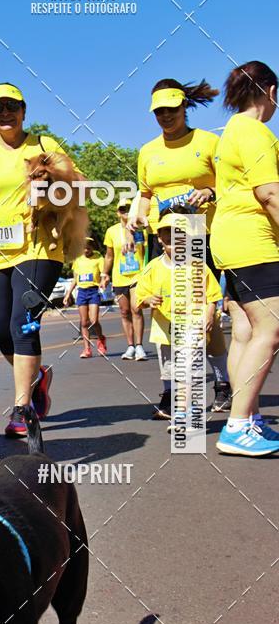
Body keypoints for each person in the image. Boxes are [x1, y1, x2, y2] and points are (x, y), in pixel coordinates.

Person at [0, 83, 78, 437]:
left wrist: (51, 188)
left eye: (12, 106)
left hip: (39, 249)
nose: (5, 113)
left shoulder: (44, 146)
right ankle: (37, 376)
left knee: (23, 323)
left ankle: (23, 408)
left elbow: (76, 185)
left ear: (24, 110)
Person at [209, 61, 279, 456]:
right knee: (271, 329)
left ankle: (247, 418)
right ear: (270, 91)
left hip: (230, 241)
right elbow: (270, 194)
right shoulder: (255, 131)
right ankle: (237, 426)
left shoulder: (232, 130)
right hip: (253, 241)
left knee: (246, 332)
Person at [135, 212, 228, 422]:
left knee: (188, 369)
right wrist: (149, 299)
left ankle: (183, 414)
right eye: (167, 235)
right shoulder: (153, 267)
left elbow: (213, 295)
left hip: (193, 327)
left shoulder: (198, 266)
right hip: (166, 331)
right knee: (172, 371)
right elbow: (139, 298)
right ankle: (183, 409)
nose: (172, 238)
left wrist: (209, 315)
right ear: (160, 238)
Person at [129, 78, 221, 277]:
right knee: (161, 294)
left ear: (184, 105)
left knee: (198, 293)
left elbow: (231, 185)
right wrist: (140, 215)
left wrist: (209, 191)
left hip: (200, 232)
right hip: (161, 235)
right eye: (159, 111)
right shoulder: (147, 151)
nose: (166, 115)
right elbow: (145, 195)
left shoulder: (209, 141)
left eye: (172, 109)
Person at [101, 201, 146, 360]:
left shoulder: (140, 228)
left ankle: (139, 346)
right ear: (118, 213)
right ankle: (130, 346)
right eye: (122, 209)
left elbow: (146, 250)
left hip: (138, 275)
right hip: (120, 277)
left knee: (136, 309)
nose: (125, 211)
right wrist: (104, 274)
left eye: (128, 208)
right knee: (124, 312)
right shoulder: (111, 231)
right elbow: (109, 256)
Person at [63, 237, 107, 357]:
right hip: (81, 292)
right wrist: (68, 294)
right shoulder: (77, 259)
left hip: (93, 291)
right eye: (84, 248)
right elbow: (75, 279)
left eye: (88, 248)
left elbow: (103, 274)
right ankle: (87, 349)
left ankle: (101, 339)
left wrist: (103, 281)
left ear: (92, 247)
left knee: (94, 320)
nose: (86, 250)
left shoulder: (99, 258)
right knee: (84, 322)